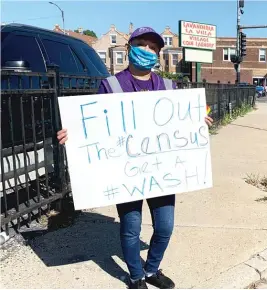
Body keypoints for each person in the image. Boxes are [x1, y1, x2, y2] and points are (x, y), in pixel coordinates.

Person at [56, 27, 213, 289]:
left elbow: (182, 123)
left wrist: (200, 121)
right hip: (126, 173)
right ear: (130, 48)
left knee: (164, 227)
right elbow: (93, 125)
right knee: (131, 227)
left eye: (154, 47)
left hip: (163, 172)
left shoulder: (169, 87)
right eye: (142, 44)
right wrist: (72, 135)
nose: (148, 51)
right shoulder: (111, 85)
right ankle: (135, 276)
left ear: (159, 55)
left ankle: (151, 270)